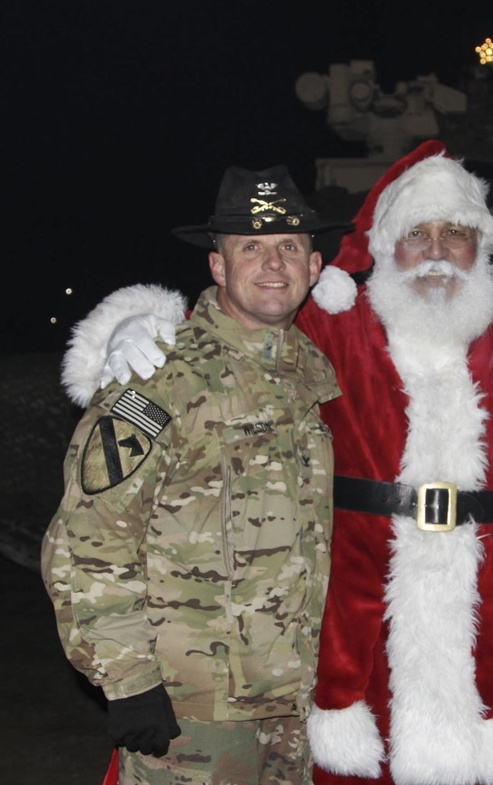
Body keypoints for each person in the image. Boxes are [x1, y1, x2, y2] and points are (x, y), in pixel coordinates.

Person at [59, 140, 493, 785]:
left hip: (480, 659)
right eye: (416, 233)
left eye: (457, 232)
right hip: (285, 675)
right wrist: (140, 322)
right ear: (385, 247)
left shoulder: (315, 363)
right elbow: (89, 539)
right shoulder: (329, 337)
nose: (438, 250)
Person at [42, 165, 342, 784]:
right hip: (193, 705)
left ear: (314, 269)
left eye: (289, 247)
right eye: (250, 247)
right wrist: (127, 681)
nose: (272, 264)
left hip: (286, 697)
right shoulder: (162, 375)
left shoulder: (308, 375)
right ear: (217, 266)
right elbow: (87, 537)